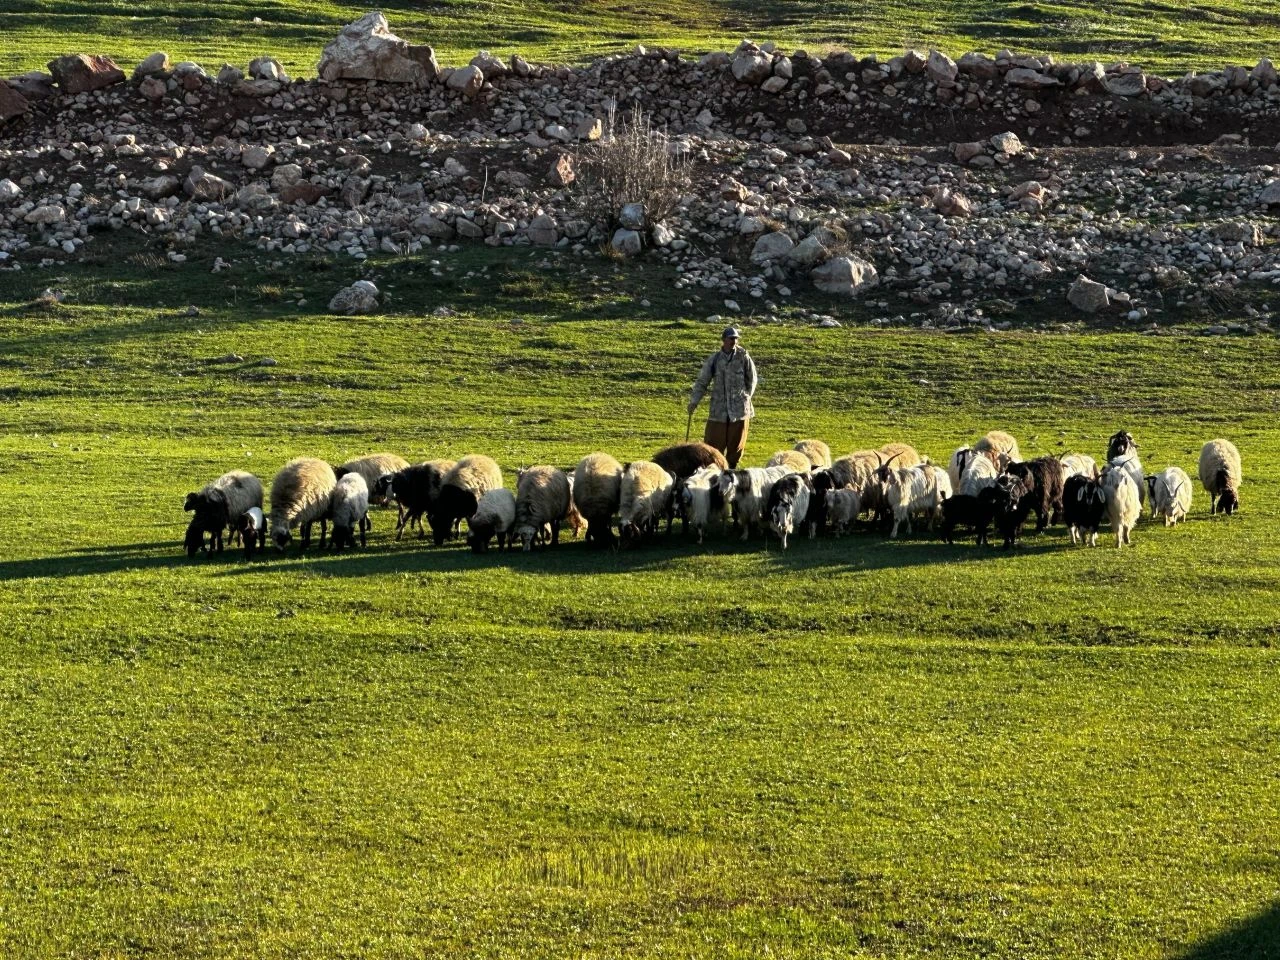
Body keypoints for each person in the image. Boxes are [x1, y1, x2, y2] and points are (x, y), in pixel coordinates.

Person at [688, 327, 757, 469]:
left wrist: (745, 398)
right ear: (724, 340)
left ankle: (731, 471)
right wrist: (694, 401)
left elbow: (752, 379)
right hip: (718, 411)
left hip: (739, 412)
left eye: (736, 338)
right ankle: (714, 471)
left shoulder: (744, 357)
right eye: (731, 338)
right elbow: (702, 382)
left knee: (736, 446)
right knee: (713, 446)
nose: (734, 341)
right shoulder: (715, 359)